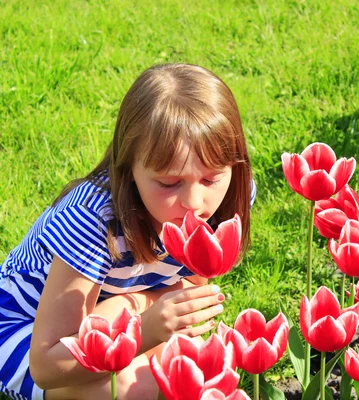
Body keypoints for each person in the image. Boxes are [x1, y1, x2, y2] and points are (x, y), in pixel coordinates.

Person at [0, 63, 256, 399]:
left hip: (115, 316)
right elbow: (47, 366)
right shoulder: (91, 220)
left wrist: (140, 308)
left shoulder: (231, 194)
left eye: (210, 178)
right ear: (129, 168)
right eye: (169, 182)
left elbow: (188, 286)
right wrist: (146, 327)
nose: (194, 202)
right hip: (28, 332)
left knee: (195, 369)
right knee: (143, 388)